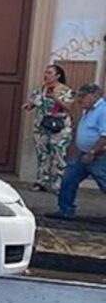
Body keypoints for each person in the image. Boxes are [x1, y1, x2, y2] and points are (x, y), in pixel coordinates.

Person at [47, 83, 106, 221]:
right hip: (82, 154)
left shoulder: (103, 111)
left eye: (82, 96)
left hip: (98, 156)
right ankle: (65, 210)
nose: (79, 100)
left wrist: (92, 152)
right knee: (68, 179)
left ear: (94, 96)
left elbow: (104, 136)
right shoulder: (89, 110)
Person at [22, 64, 74, 192]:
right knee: (42, 154)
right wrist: (28, 105)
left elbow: (68, 107)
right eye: (46, 72)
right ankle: (41, 181)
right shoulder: (40, 90)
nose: (46, 75)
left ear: (58, 76)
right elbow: (33, 103)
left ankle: (57, 184)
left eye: (50, 73)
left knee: (58, 155)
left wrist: (55, 98)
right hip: (42, 127)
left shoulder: (66, 91)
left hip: (60, 129)